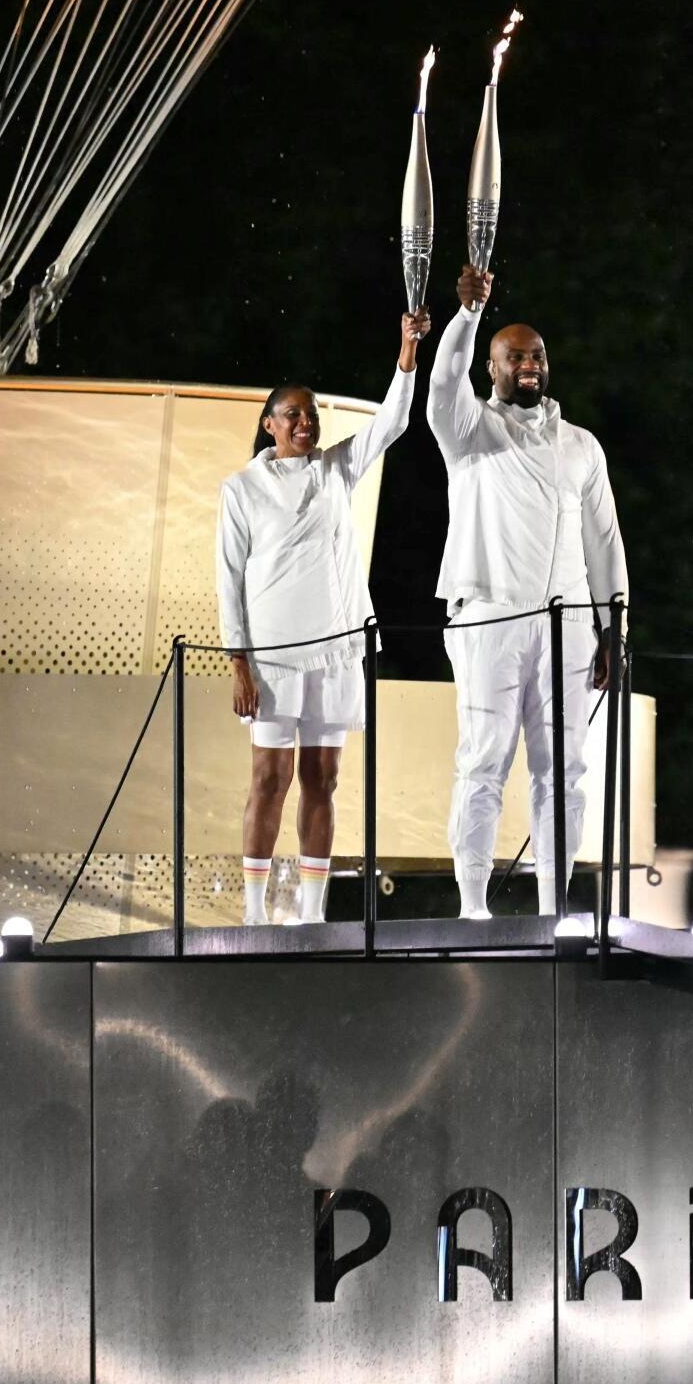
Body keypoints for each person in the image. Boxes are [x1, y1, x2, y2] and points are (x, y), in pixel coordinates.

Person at [427, 263, 628, 920]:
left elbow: (604, 543)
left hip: (569, 622)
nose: (529, 365)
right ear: (492, 368)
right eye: (514, 357)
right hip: (489, 612)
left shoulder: (582, 447)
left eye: (536, 354)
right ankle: (473, 907)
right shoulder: (470, 432)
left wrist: (613, 628)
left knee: (563, 769)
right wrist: (467, 315)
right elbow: (439, 387)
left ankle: (553, 908)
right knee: (484, 759)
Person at [216, 308, 431, 924]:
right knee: (268, 780)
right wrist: (239, 663)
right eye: (292, 415)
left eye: (311, 414)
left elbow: (392, 422)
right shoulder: (242, 490)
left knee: (324, 779)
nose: (305, 422)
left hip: (337, 651)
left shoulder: (338, 469)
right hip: (273, 658)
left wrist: (406, 350)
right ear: (269, 425)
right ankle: (255, 913)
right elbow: (228, 578)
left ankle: (312, 913)